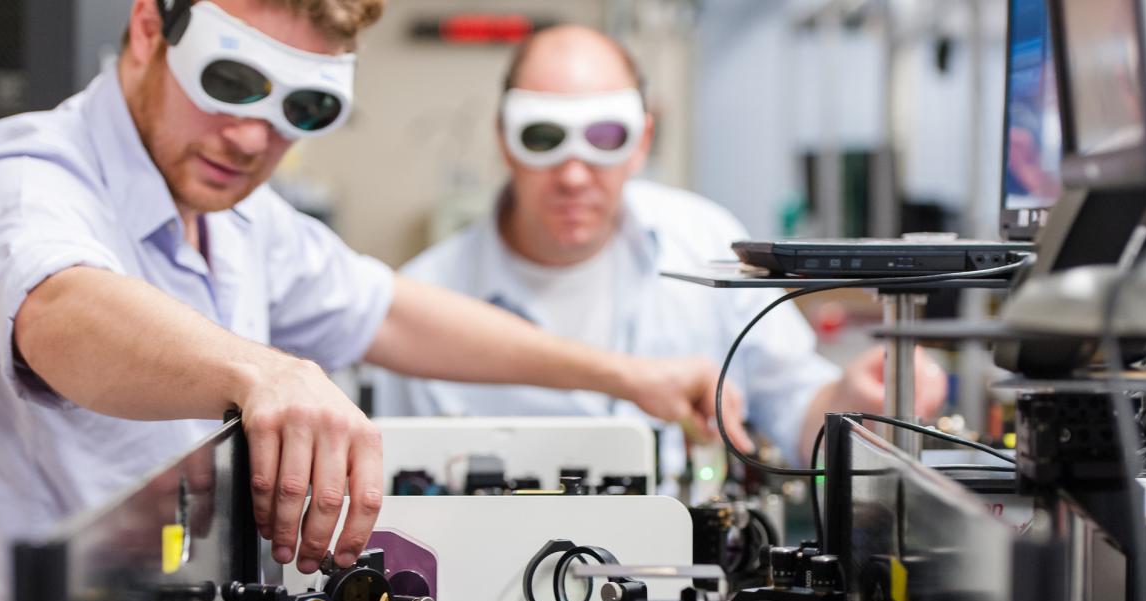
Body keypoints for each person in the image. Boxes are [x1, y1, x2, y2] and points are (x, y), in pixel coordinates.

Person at [0, 0, 754, 601]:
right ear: (148, 28)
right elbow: (57, 308)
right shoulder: (18, 175)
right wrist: (262, 372)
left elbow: (388, 310)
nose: (256, 136)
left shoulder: (242, 219)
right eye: (228, 79)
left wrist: (623, 374)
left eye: (304, 105)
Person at [374, 26, 946, 476]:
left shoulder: (701, 243)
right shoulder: (423, 302)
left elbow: (799, 413)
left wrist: (854, 397)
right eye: (544, 138)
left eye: (604, 138)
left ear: (642, 141)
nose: (574, 174)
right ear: (505, 139)